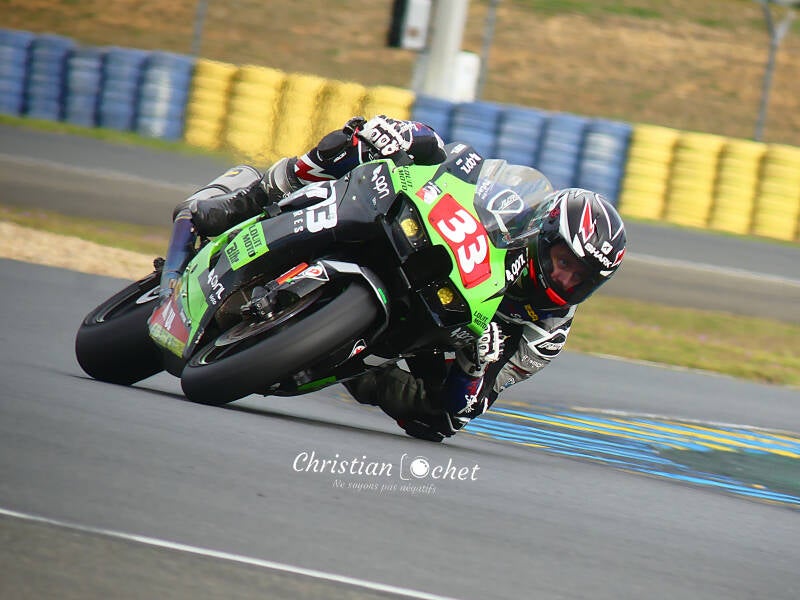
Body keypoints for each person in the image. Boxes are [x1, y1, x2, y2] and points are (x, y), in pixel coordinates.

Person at [155, 115, 627, 442]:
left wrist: (475, 367)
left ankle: (340, 355)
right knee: (358, 144)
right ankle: (255, 195)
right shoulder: (513, 209)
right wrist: (405, 135)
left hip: (437, 331)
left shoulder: (546, 332)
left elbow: (471, 405)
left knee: (438, 423)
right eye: (564, 260)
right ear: (543, 233)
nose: (565, 278)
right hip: (424, 242)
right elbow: (458, 160)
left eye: (580, 278)